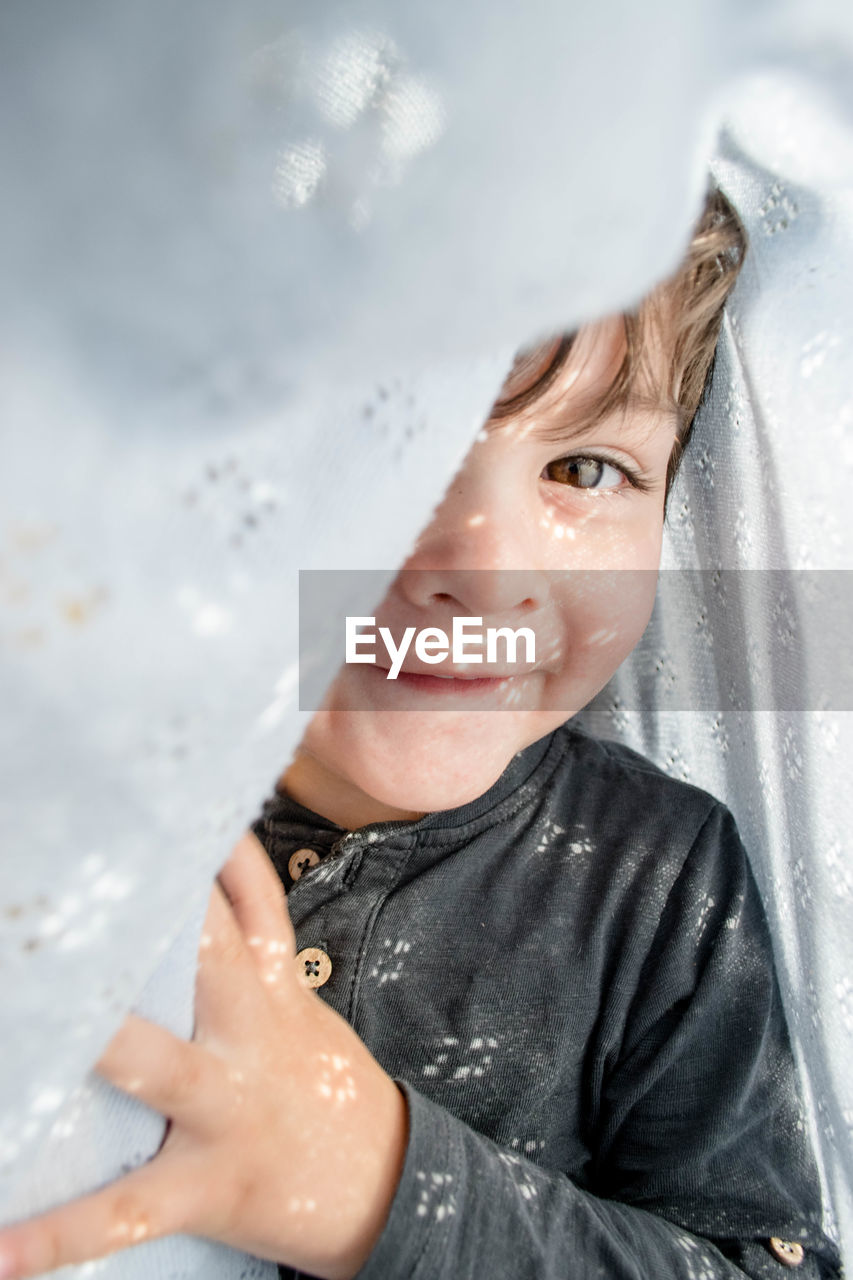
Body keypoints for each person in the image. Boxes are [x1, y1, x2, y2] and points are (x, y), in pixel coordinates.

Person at [0, 189, 842, 1280]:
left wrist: (377, 1182)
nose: (484, 570)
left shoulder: (657, 883)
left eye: (584, 469)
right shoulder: (84, 795)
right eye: (391, 449)